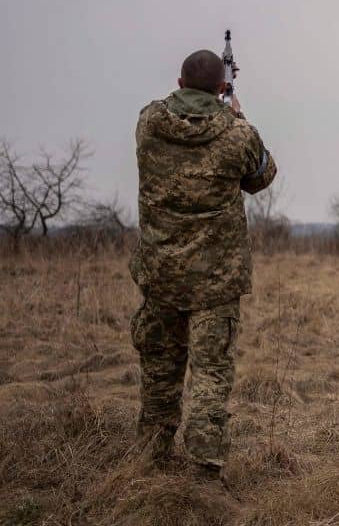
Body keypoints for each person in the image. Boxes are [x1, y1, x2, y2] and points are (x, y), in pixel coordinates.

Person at [129, 49, 277, 479]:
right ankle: (204, 470)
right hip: (216, 279)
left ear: (178, 84)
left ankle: (152, 456)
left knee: (159, 367)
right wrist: (238, 115)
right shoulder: (235, 133)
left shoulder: (148, 124)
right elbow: (261, 176)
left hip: (160, 275)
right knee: (211, 373)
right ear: (220, 88)